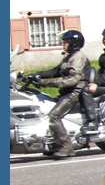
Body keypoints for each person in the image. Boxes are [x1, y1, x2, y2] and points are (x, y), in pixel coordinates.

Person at [28, 29, 88, 158]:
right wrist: (36, 74)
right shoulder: (69, 57)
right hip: (67, 91)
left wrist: (47, 83)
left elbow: (72, 80)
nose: (63, 44)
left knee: (54, 115)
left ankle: (67, 146)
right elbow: (55, 71)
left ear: (73, 43)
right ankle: (55, 142)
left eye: (66, 42)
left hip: (73, 92)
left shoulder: (78, 57)